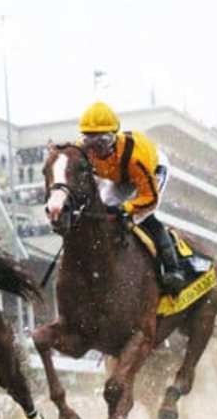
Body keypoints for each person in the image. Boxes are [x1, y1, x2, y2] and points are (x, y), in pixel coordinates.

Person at [77, 101, 186, 294]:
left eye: (101, 143)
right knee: (102, 212)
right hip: (119, 176)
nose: (96, 151)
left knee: (141, 217)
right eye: (90, 143)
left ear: (113, 138)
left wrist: (127, 208)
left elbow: (150, 199)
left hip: (151, 170)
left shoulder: (137, 157)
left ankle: (172, 268)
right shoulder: (82, 152)